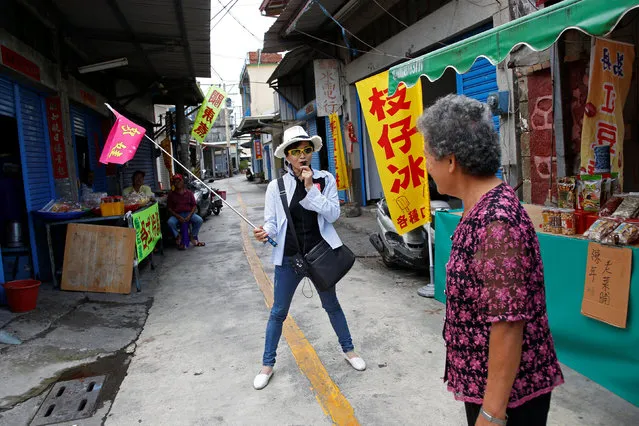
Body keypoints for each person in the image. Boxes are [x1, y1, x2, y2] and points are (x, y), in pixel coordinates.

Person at [416, 95, 564, 426]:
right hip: (487, 388)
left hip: (509, 400)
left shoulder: (497, 221)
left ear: (451, 161)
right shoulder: (480, 206)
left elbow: (509, 322)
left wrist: (492, 413)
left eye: (427, 156)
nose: (425, 165)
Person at [252, 125, 365, 390]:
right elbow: (271, 223)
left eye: (307, 150)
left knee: (332, 305)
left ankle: (349, 351)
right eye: (296, 151)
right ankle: (267, 365)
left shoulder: (325, 179)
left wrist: (310, 188)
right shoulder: (276, 186)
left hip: (320, 257)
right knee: (278, 312)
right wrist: (263, 232)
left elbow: (333, 215)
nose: (302, 155)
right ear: (287, 157)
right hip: (289, 259)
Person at [167, 174, 205, 249]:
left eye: (179, 181)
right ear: (174, 184)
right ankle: (178, 236)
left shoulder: (189, 193)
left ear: (182, 182)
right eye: (175, 182)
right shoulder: (171, 194)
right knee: (170, 222)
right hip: (177, 215)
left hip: (188, 213)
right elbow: (169, 208)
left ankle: (193, 236)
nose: (177, 183)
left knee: (199, 220)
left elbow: (194, 205)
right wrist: (178, 216)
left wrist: (189, 216)